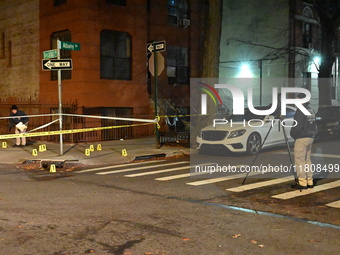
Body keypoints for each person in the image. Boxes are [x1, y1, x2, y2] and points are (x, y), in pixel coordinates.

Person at [290, 93, 318, 189]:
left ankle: (302, 183)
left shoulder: (300, 110)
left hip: (301, 137)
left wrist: (293, 133)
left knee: (299, 160)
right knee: (307, 160)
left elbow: (298, 126)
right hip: (310, 136)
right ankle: (309, 181)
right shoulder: (311, 109)